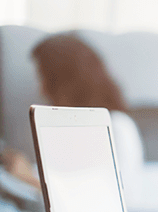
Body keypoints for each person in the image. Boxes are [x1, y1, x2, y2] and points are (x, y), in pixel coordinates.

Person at [31, 33, 145, 202]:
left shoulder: (118, 128)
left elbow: (111, 200)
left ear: (66, 81)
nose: (42, 90)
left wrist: (31, 180)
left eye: (45, 79)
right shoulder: (66, 133)